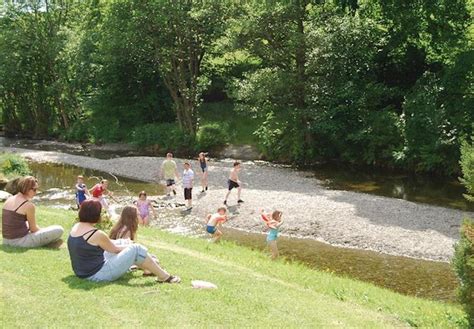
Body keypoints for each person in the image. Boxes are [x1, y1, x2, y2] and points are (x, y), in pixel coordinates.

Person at [67, 199, 180, 283]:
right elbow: (115, 250)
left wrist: (125, 243)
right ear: (96, 215)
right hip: (97, 274)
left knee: (122, 242)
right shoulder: (95, 233)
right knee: (136, 249)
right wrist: (130, 246)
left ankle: (147, 266)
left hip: (82, 271)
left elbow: (109, 245)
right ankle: (164, 277)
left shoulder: (76, 227)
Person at [2, 176, 64, 248]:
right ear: (26, 188)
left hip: (6, 240)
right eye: (34, 189)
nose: (36, 192)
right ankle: (49, 243)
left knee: (36, 227)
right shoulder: (28, 205)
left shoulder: (9, 199)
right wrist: (42, 231)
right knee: (59, 229)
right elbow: (33, 229)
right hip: (20, 242)